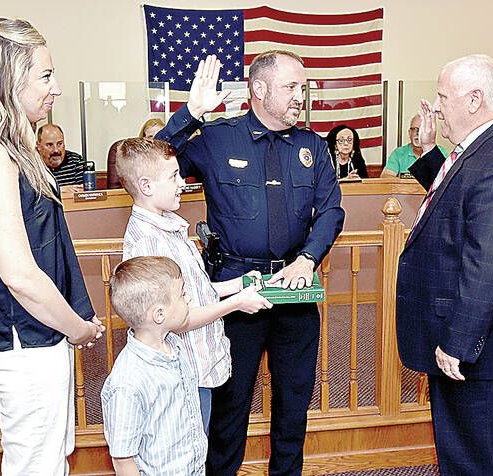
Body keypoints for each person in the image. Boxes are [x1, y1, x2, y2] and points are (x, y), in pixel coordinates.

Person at [156, 52, 345, 475]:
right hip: (233, 292)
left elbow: (331, 211)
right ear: (260, 90)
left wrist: (308, 259)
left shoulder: (312, 146)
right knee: (231, 404)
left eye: (303, 87)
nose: (302, 96)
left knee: (294, 402)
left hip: (294, 290)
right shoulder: (218, 138)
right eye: (292, 87)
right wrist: (189, 113)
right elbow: (150, 162)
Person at [0, 18, 104, 475]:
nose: (55, 88)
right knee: (36, 464)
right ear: (9, 79)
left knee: (51, 458)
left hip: (36, 335)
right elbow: (19, 273)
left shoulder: (9, 148)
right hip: (20, 339)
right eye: (46, 75)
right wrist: (76, 327)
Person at [395, 54, 493, 475]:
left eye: (443, 95)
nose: (438, 105)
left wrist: (458, 342)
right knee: (460, 451)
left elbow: (490, 265)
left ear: (474, 99)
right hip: (473, 340)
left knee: (477, 461)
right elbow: (457, 203)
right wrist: (428, 153)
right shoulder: (485, 149)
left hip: (481, 347)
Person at [115, 136, 272, 433]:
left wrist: (239, 284)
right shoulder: (149, 242)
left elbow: (197, 291)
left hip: (196, 370)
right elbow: (179, 318)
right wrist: (237, 303)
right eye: (173, 176)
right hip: (181, 376)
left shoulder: (170, 227)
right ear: (146, 186)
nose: (182, 183)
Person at [101, 255, 207, 475]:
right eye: (182, 294)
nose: (188, 298)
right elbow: (123, 458)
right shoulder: (128, 383)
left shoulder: (174, 345)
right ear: (159, 314)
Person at [381, 114, 447, 178]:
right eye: (415, 129)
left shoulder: (440, 152)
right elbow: (385, 176)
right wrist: (407, 183)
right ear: (409, 133)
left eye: (422, 129)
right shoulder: (398, 153)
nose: (418, 133)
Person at [36, 123, 86, 192]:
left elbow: (84, 193)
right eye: (49, 145)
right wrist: (60, 191)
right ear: (39, 146)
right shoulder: (31, 163)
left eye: (59, 144)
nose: (56, 150)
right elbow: (31, 195)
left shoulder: (76, 161)